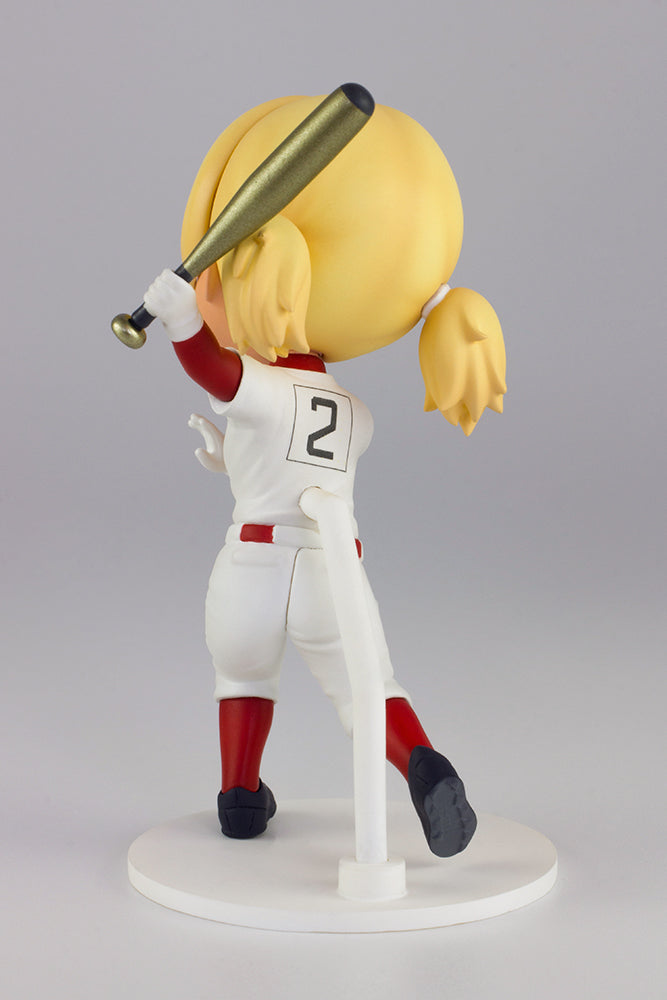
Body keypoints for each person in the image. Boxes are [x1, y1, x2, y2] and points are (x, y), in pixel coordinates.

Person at [142, 93, 506, 858]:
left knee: (243, 679)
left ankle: (240, 796)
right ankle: (424, 765)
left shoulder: (261, 387)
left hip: (252, 563)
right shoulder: (355, 413)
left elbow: (215, 371)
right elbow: (296, 456)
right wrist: (233, 456)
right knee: (367, 689)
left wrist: (179, 318)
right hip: (331, 571)